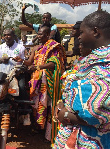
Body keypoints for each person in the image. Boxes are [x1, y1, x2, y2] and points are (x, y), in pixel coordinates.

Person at [53, 10, 110, 148]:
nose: (79, 37)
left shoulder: (105, 62)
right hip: (75, 135)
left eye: (82, 33)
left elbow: (99, 110)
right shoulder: (91, 60)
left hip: (94, 140)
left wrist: (67, 115)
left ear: (95, 31)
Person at [14, 26, 66, 144]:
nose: (39, 36)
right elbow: (29, 62)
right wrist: (21, 60)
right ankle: (38, 127)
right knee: (36, 104)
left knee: (47, 105)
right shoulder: (36, 48)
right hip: (36, 80)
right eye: (38, 34)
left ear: (47, 35)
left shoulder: (53, 47)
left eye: (41, 34)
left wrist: (39, 67)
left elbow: (54, 63)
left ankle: (48, 133)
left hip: (47, 81)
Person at [0, 28, 31, 125]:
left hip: (16, 75)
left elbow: (25, 63)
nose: (6, 37)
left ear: (13, 36)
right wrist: (1, 60)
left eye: (9, 35)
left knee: (22, 88)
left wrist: (20, 68)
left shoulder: (21, 47)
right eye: (5, 35)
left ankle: (25, 114)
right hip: (2, 76)